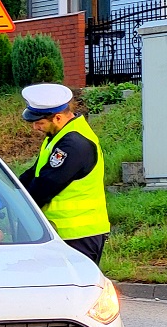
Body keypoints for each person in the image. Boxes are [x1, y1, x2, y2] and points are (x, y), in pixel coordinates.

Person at [17, 83, 111, 264]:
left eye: (39, 122)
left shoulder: (74, 144)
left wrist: (16, 205)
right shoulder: (58, 137)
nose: (35, 128)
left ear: (58, 118)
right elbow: (34, 173)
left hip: (79, 235)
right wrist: (6, 192)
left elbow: (44, 186)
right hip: (65, 234)